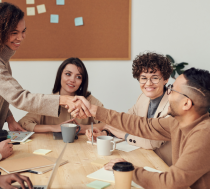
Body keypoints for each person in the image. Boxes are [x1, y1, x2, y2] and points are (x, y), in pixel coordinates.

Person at [0, 2, 90, 134]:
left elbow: (1, 93)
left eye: (23, 32)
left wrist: (9, 118)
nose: (20, 37)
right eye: (14, 32)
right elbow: (20, 97)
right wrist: (63, 99)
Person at [72, 68, 210, 189]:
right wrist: (94, 110)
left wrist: (128, 169)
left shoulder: (204, 134)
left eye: (172, 90)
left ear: (186, 103)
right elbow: (143, 125)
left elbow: (171, 183)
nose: (168, 93)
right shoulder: (177, 123)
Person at [85, 52, 173, 165]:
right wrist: (106, 133)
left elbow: (151, 142)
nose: (148, 83)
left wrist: (123, 135)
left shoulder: (172, 104)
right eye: (143, 78)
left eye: (155, 78)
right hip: (143, 157)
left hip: (163, 164)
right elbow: (125, 122)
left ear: (165, 79)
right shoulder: (142, 98)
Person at [18, 57, 105, 133]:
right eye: (68, 74)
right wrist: (54, 128)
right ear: (60, 76)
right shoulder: (48, 101)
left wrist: (85, 128)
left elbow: (109, 125)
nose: (72, 80)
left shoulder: (89, 101)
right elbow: (23, 123)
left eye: (78, 77)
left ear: (82, 82)